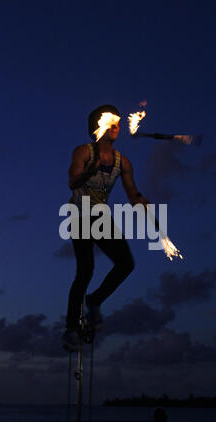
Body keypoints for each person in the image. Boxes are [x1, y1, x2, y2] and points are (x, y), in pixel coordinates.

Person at [62, 104, 149, 351]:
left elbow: (133, 195)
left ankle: (95, 300)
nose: (116, 126)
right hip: (80, 214)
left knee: (126, 264)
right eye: (111, 122)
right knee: (85, 270)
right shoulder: (83, 152)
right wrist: (88, 171)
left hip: (100, 217)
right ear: (97, 127)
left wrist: (141, 201)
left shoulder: (124, 162)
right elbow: (72, 182)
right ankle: (70, 329)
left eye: (118, 123)